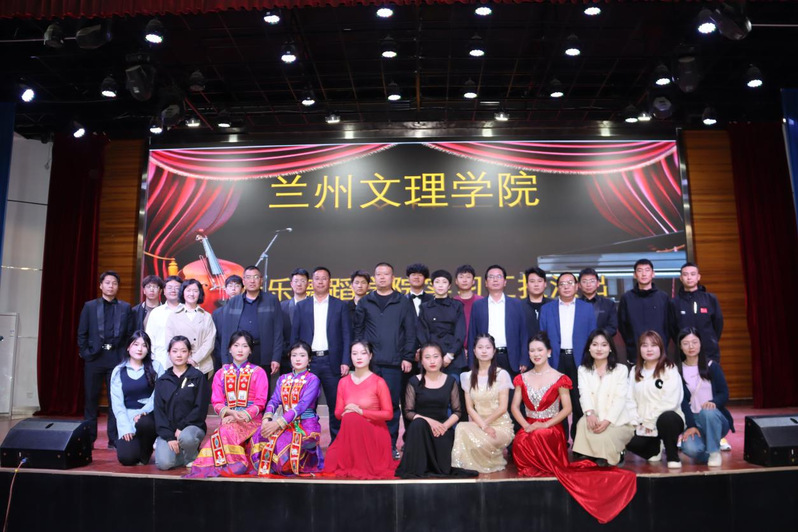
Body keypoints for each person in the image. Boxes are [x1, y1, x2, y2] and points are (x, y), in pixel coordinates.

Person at [511, 332, 637, 524]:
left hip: (554, 427)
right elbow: (514, 406)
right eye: (532, 350)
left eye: (540, 350)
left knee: (540, 436)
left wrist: (544, 424)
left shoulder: (561, 378)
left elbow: (568, 408)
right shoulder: (524, 378)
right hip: (531, 425)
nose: (536, 354)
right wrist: (527, 425)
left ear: (549, 352)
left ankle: (609, 455)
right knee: (521, 440)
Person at [353, 262, 416, 458]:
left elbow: (410, 332)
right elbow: (358, 331)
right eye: (378, 274)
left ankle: (389, 446)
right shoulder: (365, 302)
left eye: (386, 274)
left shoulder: (403, 301)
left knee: (390, 407)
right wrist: (360, 356)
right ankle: (369, 445)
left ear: (393, 278)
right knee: (367, 406)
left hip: (394, 363)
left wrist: (407, 356)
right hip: (369, 365)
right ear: (374, 278)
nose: (382, 277)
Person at [186, 331, 270, 477]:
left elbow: (260, 402)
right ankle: (227, 464)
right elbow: (217, 402)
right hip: (229, 418)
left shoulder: (258, 372)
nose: (240, 349)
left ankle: (236, 465)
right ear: (230, 349)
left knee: (225, 432)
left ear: (250, 350)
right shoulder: (221, 373)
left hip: (251, 420)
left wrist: (241, 415)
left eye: (245, 346)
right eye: (236, 345)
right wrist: (231, 413)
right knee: (222, 432)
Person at [395, 343, 478, 479]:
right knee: (418, 424)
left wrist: (444, 426)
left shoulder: (450, 381)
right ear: (421, 361)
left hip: (442, 429)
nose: (432, 361)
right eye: (427, 357)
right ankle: (417, 467)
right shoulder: (414, 381)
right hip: (420, 430)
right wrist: (430, 422)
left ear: (442, 359)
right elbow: (408, 412)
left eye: (436, 356)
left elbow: (458, 411)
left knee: (444, 467)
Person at [291, 266, 351, 442]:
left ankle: (337, 444)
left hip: (332, 362)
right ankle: (305, 443)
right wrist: (296, 360)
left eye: (324, 278)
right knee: (306, 405)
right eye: (317, 278)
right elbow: (295, 336)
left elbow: (347, 335)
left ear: (330, 282)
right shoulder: (302, 306)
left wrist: (345, 361)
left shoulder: (340, 305)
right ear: (312, 282)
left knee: (336, 406)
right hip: (308, 363)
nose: (320, 282)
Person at [323, 340, 397, 479]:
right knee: (330, 460)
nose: (358, 357)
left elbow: (388, 414)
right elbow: (337, 413)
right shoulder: (343, 382)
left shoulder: (379, 382)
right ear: (350, 356)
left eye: (363, 353)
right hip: (350, 432)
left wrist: (361, 412)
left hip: (374, 433)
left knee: (352, 417)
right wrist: (347, 409)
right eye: (354, 353)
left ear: (370, 356)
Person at [77, 270, 132, 447]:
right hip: (94, 358)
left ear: (118, 287)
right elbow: (82, 333)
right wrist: (86, 353)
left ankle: (113, 439)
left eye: (114, 283)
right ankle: (89, 439)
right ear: (101, 285)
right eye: (107, 283)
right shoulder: (90, 306)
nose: (111, 286)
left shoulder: (125, 307)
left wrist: (124, 356)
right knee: (91, 400)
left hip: (115, 358)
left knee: (115, 400)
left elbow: (129, 334)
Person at [539, 272, 597, 438]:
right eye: (562, 284)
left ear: (576, 286)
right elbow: (542, 336)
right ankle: (560, 440)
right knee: (556, 402)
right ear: (557, 287)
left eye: (570, 283)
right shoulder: (547, 309)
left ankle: (579, 440)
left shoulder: (586, 308)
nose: (566, 287)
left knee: (579, 401)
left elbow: (592, 336)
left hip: (579, 359)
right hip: (556, 360)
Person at [253, 341, 324, 476]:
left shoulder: (313, 380)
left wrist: (278, 423)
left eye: (302, 355)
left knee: (281, 442)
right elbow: (274, 400)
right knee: (259, 434)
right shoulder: (283, 379)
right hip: (285, 424)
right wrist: (266, 419)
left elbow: (302, 405)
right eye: (294, 355)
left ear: (309, 359)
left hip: (305, 425)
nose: (298, 359)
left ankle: (283, 465)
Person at [451, 334, 514, 473]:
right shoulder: (467, 377)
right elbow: (469, 408)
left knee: (479, 441)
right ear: (474, 351)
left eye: (488, 347)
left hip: (500, 426)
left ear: (494, 351)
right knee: (461, 427)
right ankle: (465, 468)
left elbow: (503, 408)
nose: (484, 351)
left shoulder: (501, 374)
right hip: (480, 424)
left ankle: (491, 460)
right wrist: (483, 426)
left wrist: (486, 425)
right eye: (480, 347)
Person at [573, 329, 634, 466]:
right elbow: (584, 394)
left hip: (616, 419)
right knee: (582, 424)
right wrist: (589, 413)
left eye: (604, 345)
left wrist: (607, 421)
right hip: (595, 416)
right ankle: (596, 453)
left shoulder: (621, 369)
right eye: (595, 344)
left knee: (605, 436)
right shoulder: (583, 369)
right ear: (589, 348)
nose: (599, 349)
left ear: (610, 348)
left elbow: (620, 399)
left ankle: (614, 453)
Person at [626, 330, 685, 468]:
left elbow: (671, 401)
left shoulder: (670, 369)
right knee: (625, 438)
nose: (649, 349)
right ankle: (654, 448)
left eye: (653, 345)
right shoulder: (635, 370)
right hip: (642, 424)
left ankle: (672, 456)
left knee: (668, 418)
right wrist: (636, 422)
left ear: (661, 348)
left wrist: (650, 422)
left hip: (666, 420)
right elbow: (629, 399)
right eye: (645, 345)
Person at [677, 327, 734, 467]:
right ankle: (708, 450)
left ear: (700, 343)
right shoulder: (677, 371)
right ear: (680, 346)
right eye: (686, 343)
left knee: (707, 411)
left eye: (694, 342)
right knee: (691, 449)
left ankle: (714, 453)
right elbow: (681, 401)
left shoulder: (711, 366)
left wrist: (714, 402)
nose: (691, 347)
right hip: (694, 420)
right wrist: (690, 425)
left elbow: (724, 393)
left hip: (714, 418)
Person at [214, 265, 284, 378]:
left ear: (261, 280)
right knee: (238, 386)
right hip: (238, 353)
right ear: (244, 281)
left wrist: (276, 358)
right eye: (248, 277)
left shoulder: (271, 300)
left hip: (263, 352)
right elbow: (226, 333)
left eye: (256, 277)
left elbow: (278, 332)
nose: (252, 281)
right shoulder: (233, 302)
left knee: (262, 386)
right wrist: (225, 360)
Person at [153, 335, 210, 470]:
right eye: (175, 351)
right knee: (164, 464)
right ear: (169, 353)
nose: (179, 355)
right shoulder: (162, 380)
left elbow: (200, 408)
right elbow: (159, 412)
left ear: (189, 353)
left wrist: (182, 427)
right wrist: (169, 437)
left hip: (191, 427)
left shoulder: (197, 377)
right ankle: (182, 455)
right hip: (169, 430)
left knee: (187, 438)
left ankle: (191, 455)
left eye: (183, 351)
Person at [109, 330, 164, 465]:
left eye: (144, 345)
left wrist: (142, 412)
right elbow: (117, 404)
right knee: (127, 459)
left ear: (148, 349)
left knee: (145, 422)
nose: (140, 349)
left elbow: (158, 395)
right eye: (136, 344)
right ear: (128, 347)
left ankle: (146, 451)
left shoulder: (156, 367)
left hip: (148, 416)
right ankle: (135, 448)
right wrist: (125, 427)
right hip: (127, 417)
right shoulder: (119, 370)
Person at [467, 265, 528, 377]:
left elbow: (523, 334)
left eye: (499, 276)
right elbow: (472, 335)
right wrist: (471, 362)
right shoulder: (478, 305)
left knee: (511, 388)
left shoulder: (516, 304)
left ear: (505, 282)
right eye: (491, 277)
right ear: (486, 283)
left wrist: (524, 359)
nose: (495, 280)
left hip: (510, 358)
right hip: (485, 357)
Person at [417, 269, 467, 382]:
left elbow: (460, 333)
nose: (440, 285)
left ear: (449, 286)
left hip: (453, 357)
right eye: (437, 282)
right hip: (430, 358)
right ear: (432, 285)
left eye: (444, 282)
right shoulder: (425, 307)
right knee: (430, 389)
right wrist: (432, 356)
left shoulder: (457, 306)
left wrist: (449, 355)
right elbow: (422, 332)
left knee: (452, 388)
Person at [618, 259, 672, 363]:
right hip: (635, 353)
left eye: (647, 270)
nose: (644, 274)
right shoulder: (626, 298)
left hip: (659, 353)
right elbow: (622, 326)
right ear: (635, 275)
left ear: (653, 274)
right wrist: (631, 343)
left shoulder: (663, 297)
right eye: (640, 270)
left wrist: (662, 344)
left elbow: (668, 326)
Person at [669, 263, 724, 363]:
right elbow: (673, 329)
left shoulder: (710, 299)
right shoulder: (674, 303)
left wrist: (710, 340)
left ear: (698, 277)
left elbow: (718, 324)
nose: (689, 277)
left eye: (693, 274)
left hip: (709, 352)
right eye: (685, 274)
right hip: (685, 355)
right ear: (681, 278)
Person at [165, 279, 216, 376]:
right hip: (178, 365)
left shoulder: (207, 316)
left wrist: (194, 359)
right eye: (188, 290)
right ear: (183, 293)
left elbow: (209, 342)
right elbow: (169, 341)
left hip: (202, 365)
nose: (191, 294)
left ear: (200, 294)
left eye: (195, 291)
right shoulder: (173, 316)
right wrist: (183, 359)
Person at [145, 275, 184, 369]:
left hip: (184, 362)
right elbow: (149, 338)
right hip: (160, 361)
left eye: (177, 288)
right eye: (169, 287)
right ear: (164, 291)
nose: (173, 290)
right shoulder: (156, 312)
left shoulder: (187, 311)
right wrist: (152, 361)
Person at [280, 267, 310, 374]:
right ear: (291, 284)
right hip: (287, 358)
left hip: (310, 357)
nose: (299, 284)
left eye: (302, 281)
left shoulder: (314, 305)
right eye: (296, 281)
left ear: (308, 284)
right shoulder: (282, 306)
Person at [211, 274, 243, 372]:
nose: (233, 288)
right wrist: (221, 356)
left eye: (237, 285)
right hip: (222, 358)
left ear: (242, 289)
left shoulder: (247, 311)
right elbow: (215, 338)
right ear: (225, 289)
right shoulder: (217, 313)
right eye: (230, 286)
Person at [453, 264, 483, 361]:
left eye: (468, 277)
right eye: (461, 277)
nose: (465, 280)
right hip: (456, 353)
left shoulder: (482, 302)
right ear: (456, 281)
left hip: (480, 352)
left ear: (473, 281)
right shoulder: (451, 303)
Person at [578, 268, 618, 337]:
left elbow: (612, 327)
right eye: (584, 281)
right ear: (579, 285)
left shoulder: (609, 304)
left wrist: (598, 337)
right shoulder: (574, 304)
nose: (588, 284)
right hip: (579, 342)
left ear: (598, 283)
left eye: (592, 281)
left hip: (602, 341)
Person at [522, 266, 552, 340]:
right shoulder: (519, 306)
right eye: (532, 281)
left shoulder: (553, 305)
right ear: (526, 285)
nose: (536, 284)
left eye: (539, 281)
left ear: (545, 284)